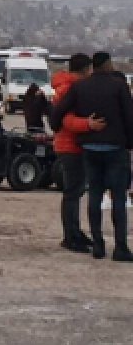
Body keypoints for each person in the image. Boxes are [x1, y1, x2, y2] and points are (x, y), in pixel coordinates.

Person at [51, 51, 133, 261]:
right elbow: (129, 116)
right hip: (115, 148)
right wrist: (129, 144)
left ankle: (98, 245)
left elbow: (58, 113)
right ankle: (120, 247)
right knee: (118, 198)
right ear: (107, 64)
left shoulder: (79, 87)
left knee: (94, 196)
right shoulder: (118, 85)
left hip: (89, 149)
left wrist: (58, 125)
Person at [51, 53, 97, 253]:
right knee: (72, 192)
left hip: (68, 145)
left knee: (75, 192)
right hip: (70, 146)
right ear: (86, 70)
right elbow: (67, 121)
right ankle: (71, 236)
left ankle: (75, 232)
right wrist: (89, 124)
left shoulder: (64, 87)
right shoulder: (69, 90)